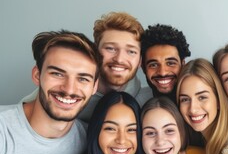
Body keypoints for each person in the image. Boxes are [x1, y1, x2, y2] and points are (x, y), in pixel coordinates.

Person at [0, 30, 101, 154]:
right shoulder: (3, 130)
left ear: (94, 87)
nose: (69, 89)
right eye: (58, 74)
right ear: (37, 75)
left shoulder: (88, 140)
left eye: (83, 79)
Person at [21, 12, 152, 122]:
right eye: (110, 48)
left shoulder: (144, 98)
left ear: (140, 60)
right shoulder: (68, 90)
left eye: (131, 51)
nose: (119, 59)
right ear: (95, 51)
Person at [141, 24, 191, 103]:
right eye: (153, 65)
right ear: (143, 68)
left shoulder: (196, 101)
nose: (162, 73)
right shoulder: (136, 103)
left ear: (183, 64)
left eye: (170, 63)